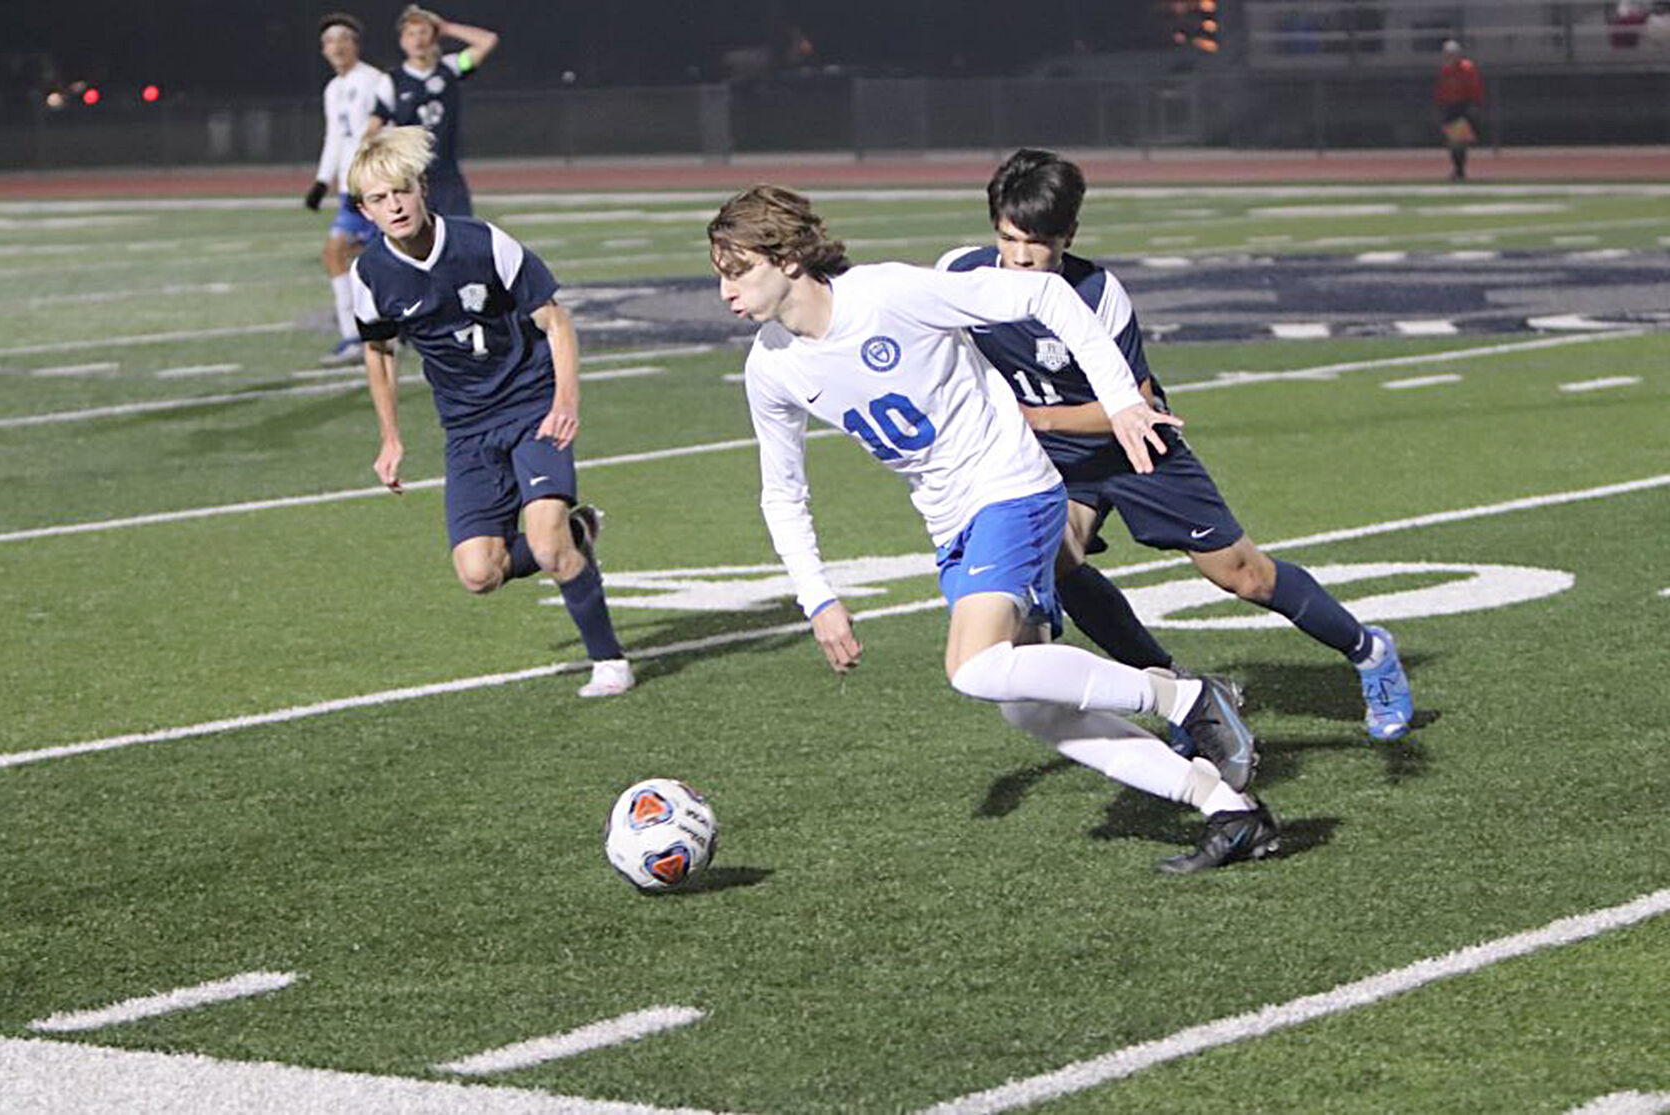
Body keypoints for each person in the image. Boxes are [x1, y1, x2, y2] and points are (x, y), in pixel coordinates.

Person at [709, 184, 1276, 874]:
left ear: (790, 257)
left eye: (738, 270)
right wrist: (817, 598)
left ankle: (1187, 695)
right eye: (721, 273)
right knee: (1031, 708)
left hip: (1011, 488)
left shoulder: (888, 294)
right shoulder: (770, 367)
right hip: (952, 522)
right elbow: (782, 491)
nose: (725, 292)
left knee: (973, 668)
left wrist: (1124, 401)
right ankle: (1230, 811)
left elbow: (1045, 296)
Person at [940, 148, 1414, 743]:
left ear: (1070, 236)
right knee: (1055, 561)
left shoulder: (1096, 293)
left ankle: (1368, 650)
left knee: (1244, 577)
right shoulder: (961, 273)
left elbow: (1133, 411)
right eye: (1010, 238)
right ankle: (1178, 691)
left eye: (1039, 241)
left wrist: (1038, 418)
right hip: (1050, 462)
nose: (1022, 255)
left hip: (1134, 451)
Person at [346, 127, 632, 698]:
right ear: (364, 211)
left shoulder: (483, 243)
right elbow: (379, 352)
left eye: (402, 191)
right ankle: (577, 532)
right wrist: (390, 438)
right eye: (379, 199)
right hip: (466, 426)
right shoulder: (370, 275)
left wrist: (565, 401)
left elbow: (556, 320)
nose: (395, 206)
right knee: (480, 574)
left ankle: (610, 660)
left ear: (423, 188)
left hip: (531, 405)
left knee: (548, 548)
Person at [367, 5, 499, 217]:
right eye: (411, 34)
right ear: (402, 40)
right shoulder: (391, 81)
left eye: (423, 32)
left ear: (434, 37)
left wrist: (446, 27)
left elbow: (488, 41)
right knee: (416, 244)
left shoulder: (450, 68)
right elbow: (372, 130)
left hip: (448, 177)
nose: (417, 40)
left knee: (461, 239)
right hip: (410, 178)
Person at [307, 14, 385, 368]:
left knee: (378, 255)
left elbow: (388, 127)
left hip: (372, 182)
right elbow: (335, 137)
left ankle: (381, 330)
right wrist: (322, 180)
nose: (336, 46)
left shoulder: (374, 81)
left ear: (355, 44)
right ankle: (355, 335)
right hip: (348, 188)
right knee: (338, 253)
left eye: (343, 39)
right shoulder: (333, 88)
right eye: (329, 41)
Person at [1434, 40, 1484, 182]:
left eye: (1452, 54)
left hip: (1463, 106)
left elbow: (1475, 87)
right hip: (1450, 108)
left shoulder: (1467, 68)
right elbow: (1441, 89)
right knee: (1453, 142)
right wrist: (1440, 105)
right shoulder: (1445, 70)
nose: (1449, 57)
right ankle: (1458, 170)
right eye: (1447, 54)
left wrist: (1475, 104)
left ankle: (1459, 170)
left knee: (1458, 142)